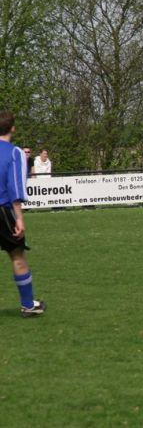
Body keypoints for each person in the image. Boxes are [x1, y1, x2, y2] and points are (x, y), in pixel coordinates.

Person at [0, 111, 46, 317]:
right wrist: (19, 218)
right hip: (3, 210)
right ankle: (28, 305)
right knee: (17, 255)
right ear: (13, 128)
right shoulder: (15, 152)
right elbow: (16, 188)